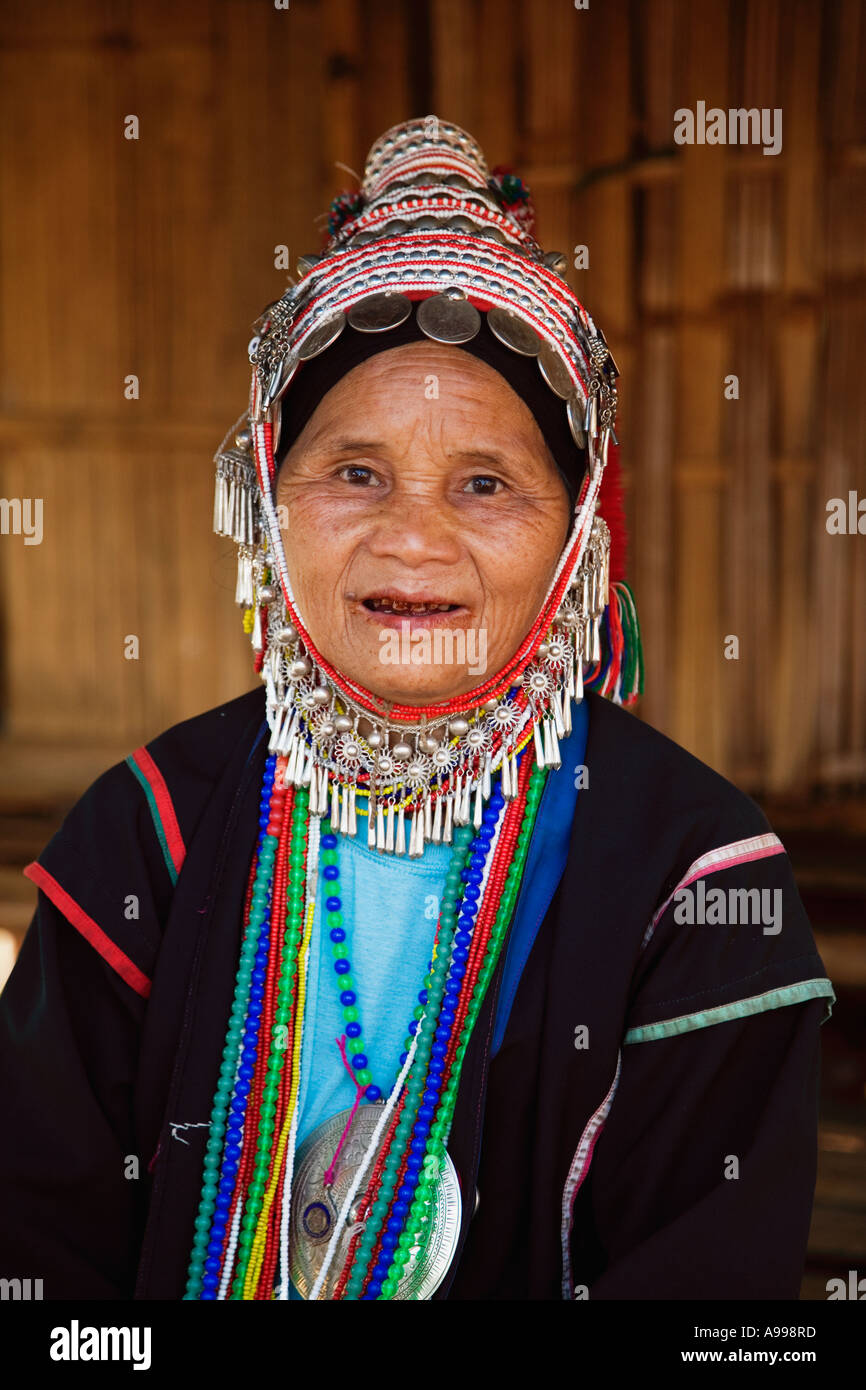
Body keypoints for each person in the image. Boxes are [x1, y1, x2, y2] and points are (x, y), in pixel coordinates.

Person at [0, 117, 834, 1301]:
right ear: (267, 508)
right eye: (353, 472)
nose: (412, 536)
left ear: (575, 540)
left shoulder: (694, 880)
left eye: (485, 483)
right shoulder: (145, 833)